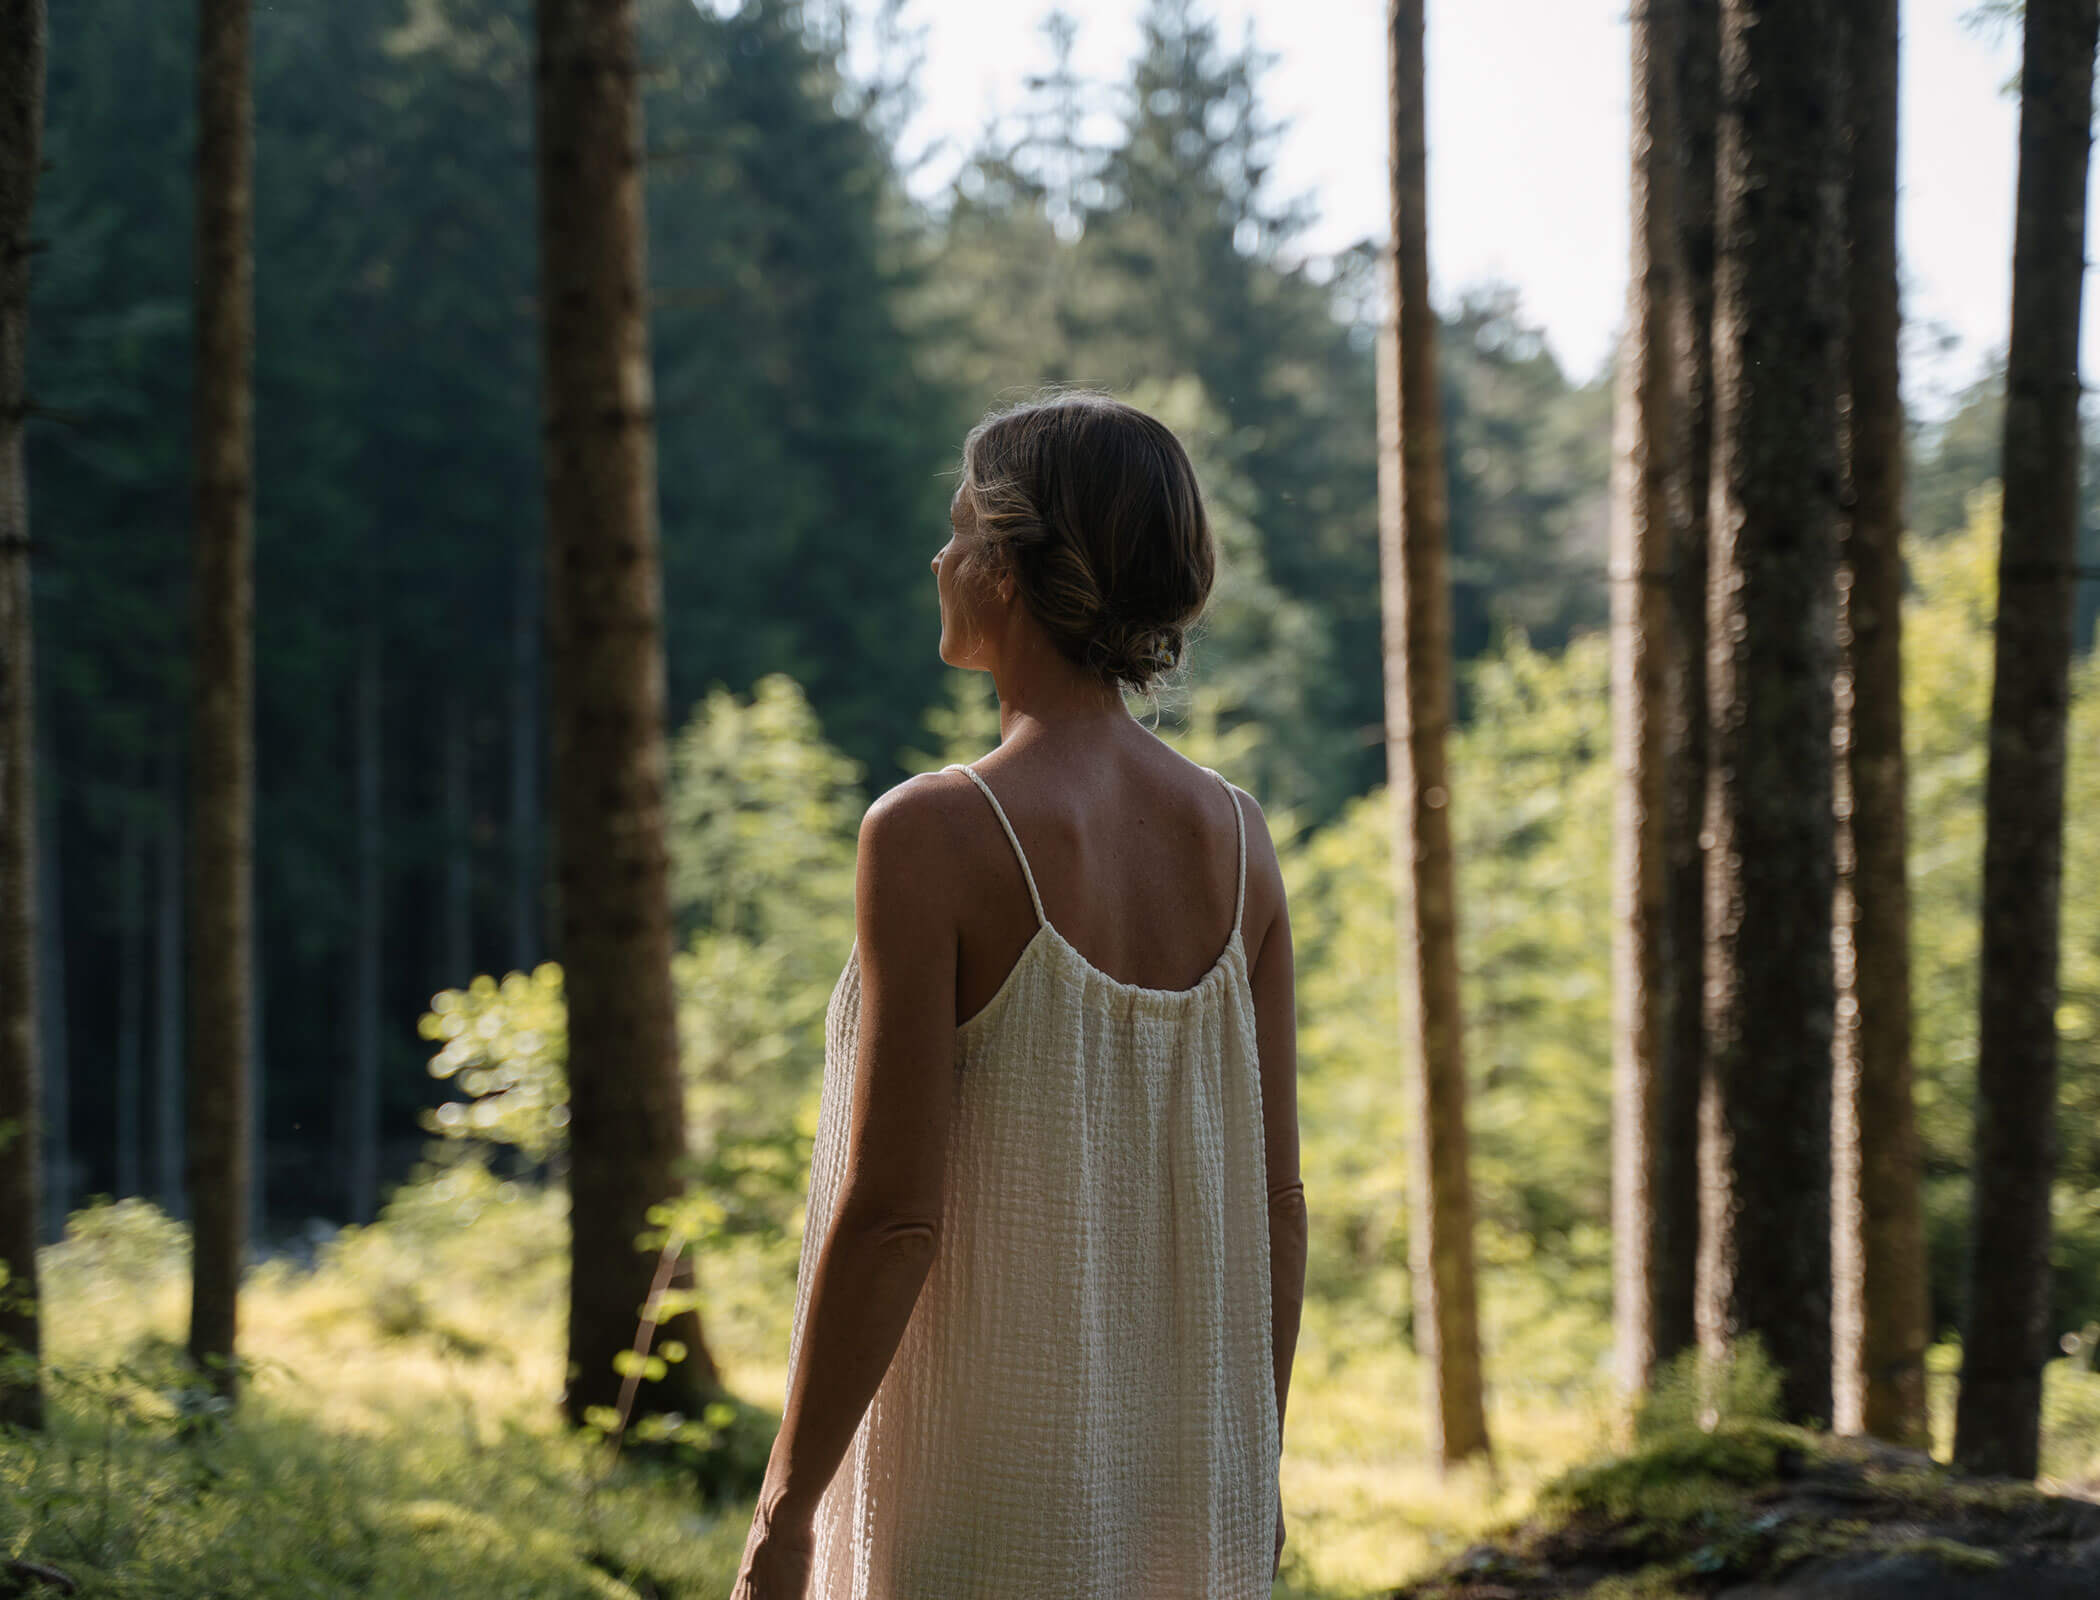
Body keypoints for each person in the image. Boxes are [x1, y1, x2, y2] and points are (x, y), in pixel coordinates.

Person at [732, 393, 1308, 1599]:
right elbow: (1278, 1204)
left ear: (1012, 567)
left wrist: (789, 1509)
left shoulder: (936, 831)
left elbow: (894, 1214)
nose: (939, 559)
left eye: (959, 531)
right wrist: (1251, 1469)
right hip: (1180, 1499)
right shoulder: (1242, 844)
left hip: (978, 1494)